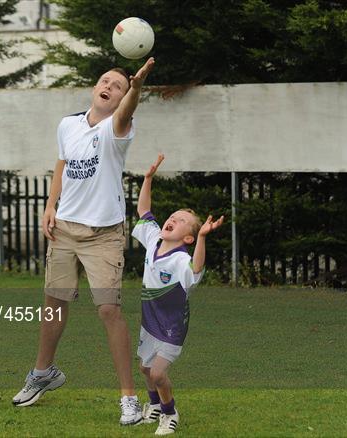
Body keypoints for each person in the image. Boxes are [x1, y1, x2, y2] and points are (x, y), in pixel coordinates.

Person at [12, 57, 155, 425]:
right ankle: (43, 373)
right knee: (54, 305)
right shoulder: (68, 125)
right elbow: (61, 165)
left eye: (118, 86)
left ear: (122, 98)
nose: (109, 86)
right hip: (64, 230)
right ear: (95, 88)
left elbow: (126, 113)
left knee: (108, 310)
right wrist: (49, 205)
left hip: (103, 235)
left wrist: (135, 89)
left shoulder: (117, 129)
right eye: (104, 81)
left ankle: (128, 399)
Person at [132, 154, 223, 435]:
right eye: (173, 216)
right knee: (145, 370)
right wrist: (147, 179)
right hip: (150, 322)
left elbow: (196, 269)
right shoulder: (154, 238)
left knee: (158, 373)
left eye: (181, 220)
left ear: (188, 238)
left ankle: (170, 414)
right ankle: (155, 405)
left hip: (172, 326)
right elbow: (144, 212)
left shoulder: (182, 259)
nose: (173, 218)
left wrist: (204, 238)